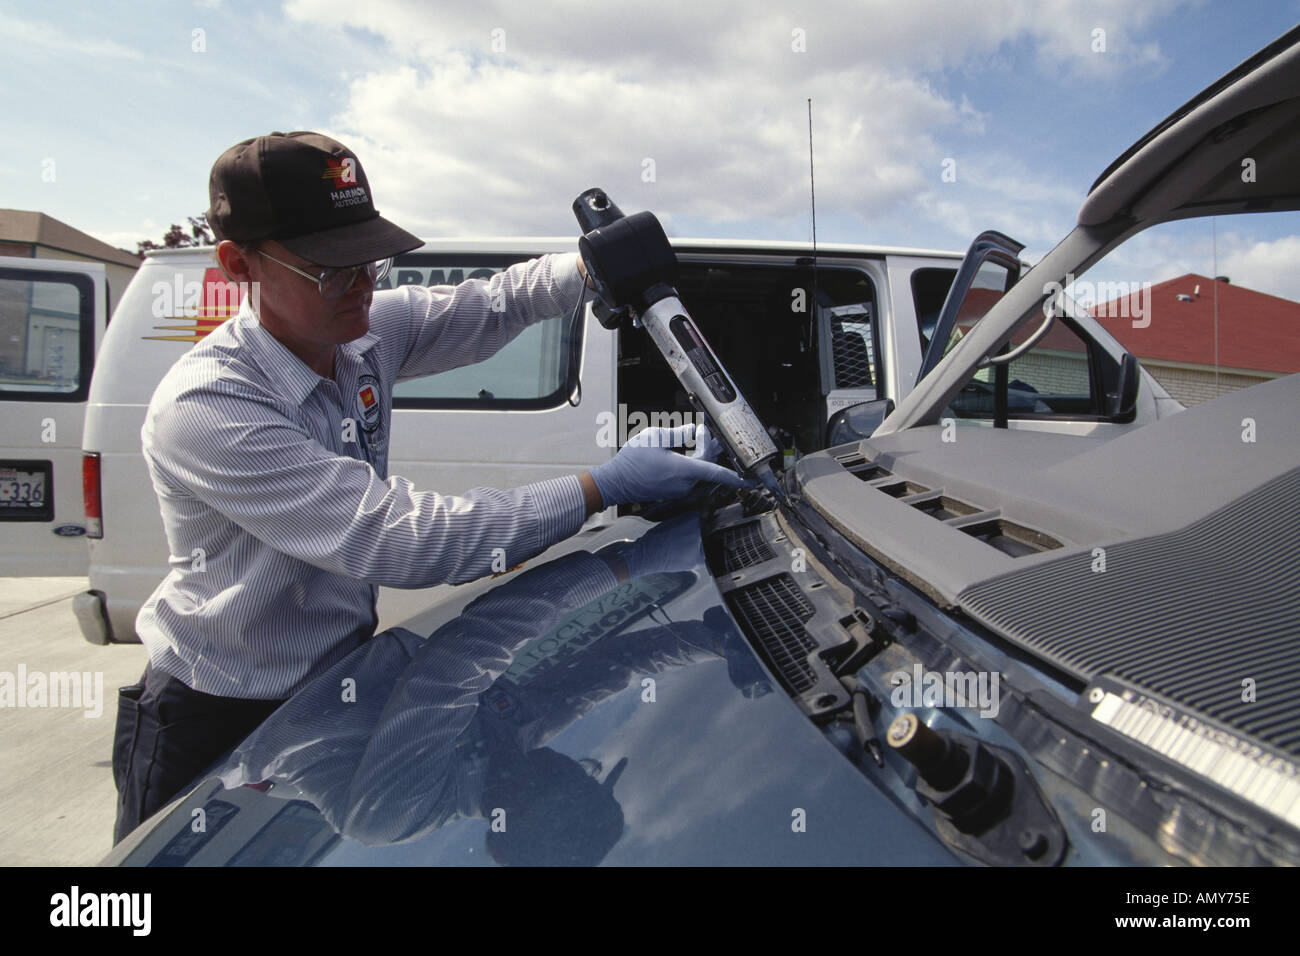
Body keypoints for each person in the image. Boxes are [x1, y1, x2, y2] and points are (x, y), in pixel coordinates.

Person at [111, 130, 746, 844]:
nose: (362, 285)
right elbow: (405, 541)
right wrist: (604, 486)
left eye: (370, 260)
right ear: (238, 264)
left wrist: (591, 267)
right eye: (330, 267)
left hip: (338, 685)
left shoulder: (356, 332)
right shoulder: (211, 408)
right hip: (218, 710)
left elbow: (496, 305)